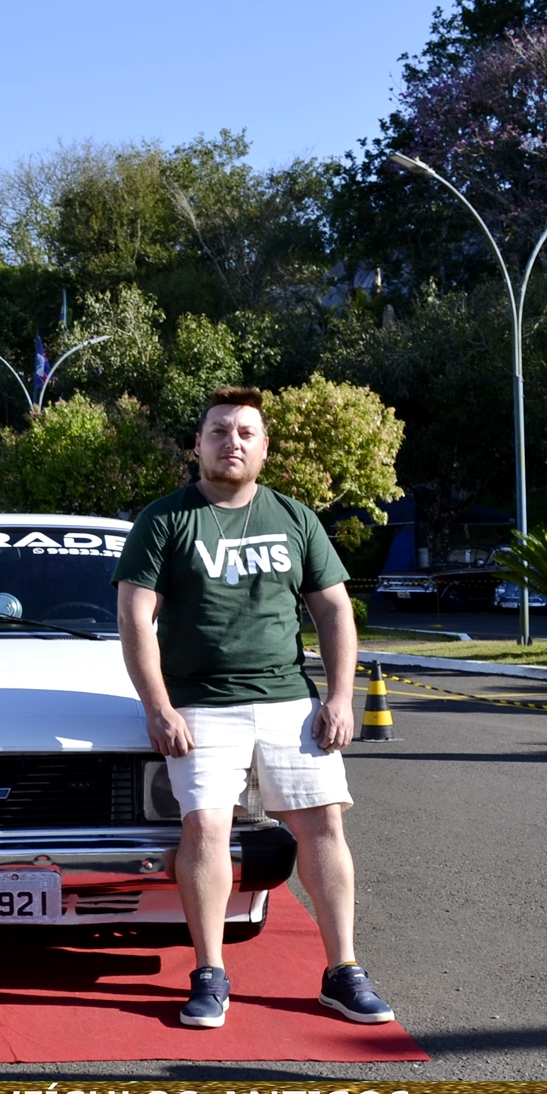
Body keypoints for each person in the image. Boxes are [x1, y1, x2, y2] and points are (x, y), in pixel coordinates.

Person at [113, 386, 393, 1030]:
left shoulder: (295, 518)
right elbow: (134, 616)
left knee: (324, 825)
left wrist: (341, 697)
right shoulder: (165, 519)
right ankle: (210, 973)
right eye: (218, 431)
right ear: (198, 445)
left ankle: (343, 972)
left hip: (289, 701)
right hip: (201, 704)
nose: (231, 442)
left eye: (245, 433)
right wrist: (158, 706)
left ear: (264, 448)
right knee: (206, 828)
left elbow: (334, 610)